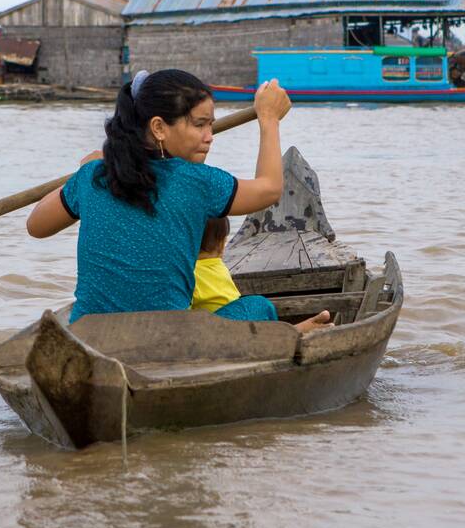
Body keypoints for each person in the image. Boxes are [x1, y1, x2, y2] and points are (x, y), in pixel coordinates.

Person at [26, 68, 331, 332]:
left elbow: (36, 225)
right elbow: (268, 189)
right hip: (168, 340)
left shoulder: (94, 176)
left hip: (88, 335)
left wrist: (84, 171)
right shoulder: (198, 180)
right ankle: (290, 335)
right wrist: (269, 119)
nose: (209, 135)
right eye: (200, 125)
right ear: (158, 127)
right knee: (258, 307)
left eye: (211, 124)